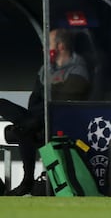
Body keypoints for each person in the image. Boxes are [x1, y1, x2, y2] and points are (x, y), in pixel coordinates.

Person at [0, 28, 90, 196]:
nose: (44, 49)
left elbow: (62, 99)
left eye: (47, 45)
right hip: (36, 117)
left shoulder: (78, 69)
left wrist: (49, 92)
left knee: (24, 130)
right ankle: (26, 126)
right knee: (5, 107)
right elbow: (35, 98)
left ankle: (27, 182)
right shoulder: (45, 69)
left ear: (61, 47)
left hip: (58, 120)